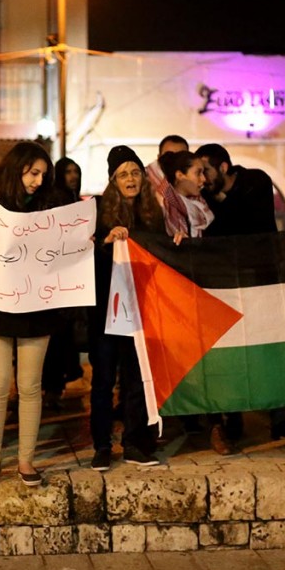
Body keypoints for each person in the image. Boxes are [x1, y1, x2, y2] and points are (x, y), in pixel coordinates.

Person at [0, 141, 61, 487]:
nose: (37, 180)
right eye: (32, 172)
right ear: (16, 168)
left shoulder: (52, 204)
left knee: (30, 386)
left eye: (42, 175)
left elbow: (64, 245)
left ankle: (26, 462)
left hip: (36, 305)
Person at [195, 143, 285, 448]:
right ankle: (231, 417)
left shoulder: (256, 180)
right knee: (228, 350)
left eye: (206, 169)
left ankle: (279, 418)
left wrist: (217, 202)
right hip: (225, 284)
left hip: (261, 280)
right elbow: (214, 233)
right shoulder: (206, 196)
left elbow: (246, 223)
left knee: (270, 349)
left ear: (224, 167)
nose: (202, 177)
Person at [89, 146, 166, 471]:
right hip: (106, 311)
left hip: (142, 310)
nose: (130, 179)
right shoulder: (97, 211)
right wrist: (107, 243)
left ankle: (136, 443)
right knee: (104, 379)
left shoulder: (154, 214)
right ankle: (102, 446)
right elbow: (85, 260)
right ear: (112, 180)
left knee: (137, 377)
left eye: (135, 172)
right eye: (123, 174)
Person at [41, 156, 89, 410]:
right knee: (56, 337)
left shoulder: (74, 201)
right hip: (55, 280)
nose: (72, 176)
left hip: (70, 279)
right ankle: (52, 386)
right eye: (67, 172)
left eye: (75, 171)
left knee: (64, 336)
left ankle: (56, 385)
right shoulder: (55, 200)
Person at [157, 149, 214, 238]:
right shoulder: (161, 206)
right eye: (198, 173)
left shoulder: (202, 203)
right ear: (180, 175)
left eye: (203, 173)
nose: (203, 179)